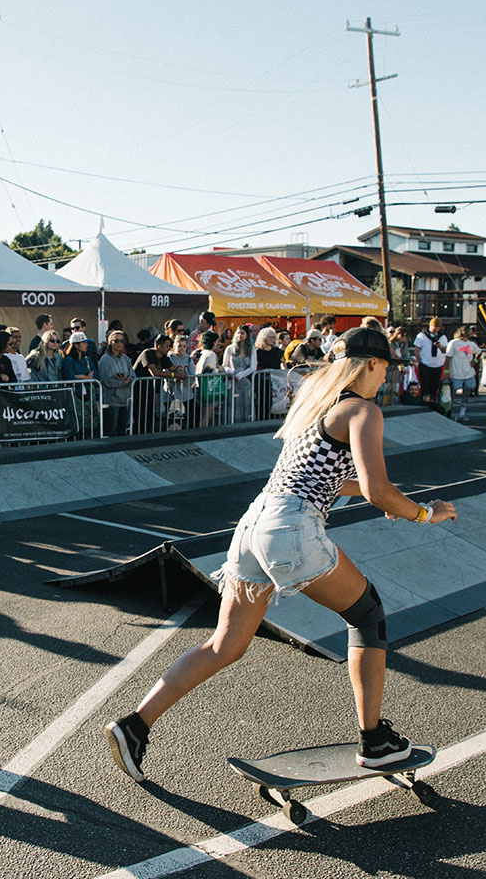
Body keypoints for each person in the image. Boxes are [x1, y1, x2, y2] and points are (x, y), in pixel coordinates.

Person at [104, 327, 456, 781]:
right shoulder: (363, 410)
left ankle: (134, 725)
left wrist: (386, 500)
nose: (387, 377)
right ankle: (375, 743)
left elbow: (337, 481)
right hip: (292, 530)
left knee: (224, 645)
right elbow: (376, 487)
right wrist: (425, 513)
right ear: (370, 364)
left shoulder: (317, 405)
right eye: (387, 367)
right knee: (367, 615)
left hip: (254, 525)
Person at [133, 333, 178, 434]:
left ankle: (148, 436)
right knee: (139, 415)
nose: (169, 349)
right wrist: (175, 375)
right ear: (159, 346)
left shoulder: (164, 357)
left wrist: (179, 372)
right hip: (137, 389)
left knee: (149, 415)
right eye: (167, 346)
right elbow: (155, 373)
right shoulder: (147, 353)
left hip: (150, 390)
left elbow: (174, 369)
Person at [61, 332, 99, 435]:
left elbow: (96, 377)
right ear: (76, 345)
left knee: (91, 422)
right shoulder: (68, 361)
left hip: (88, 395)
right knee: (78, 422)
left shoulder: (87, 360)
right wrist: (85, 377)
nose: (86, 345)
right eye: (83, 342)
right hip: (75, 396)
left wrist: (80, 376)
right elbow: (69, 377)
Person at [97, 330, 133, 436]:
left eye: (122, 341)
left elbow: (133, 375)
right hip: (111, 401)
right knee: (110, 431)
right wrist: (124, 382)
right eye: (116, 340)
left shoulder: (126, 359)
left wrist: (127, 380)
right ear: (110, 342)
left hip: (125, 400)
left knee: (122, 430)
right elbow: (107, 381)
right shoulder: (105, 359)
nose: (119, 343)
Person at [222, 325, 257, 423]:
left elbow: (252, 367)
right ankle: (231, 422)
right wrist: (231, 372)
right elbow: (224, 365)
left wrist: (241, 375)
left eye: (242, 333)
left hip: (245, 381)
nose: (240, 335)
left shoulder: (251, 349)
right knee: (232, 403)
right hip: (232, 380)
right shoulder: (229, 348)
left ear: (247, 335)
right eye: (238, 333)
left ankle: (247, 423)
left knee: (246, 403)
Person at [444, 325, 479, 422]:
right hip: (456, 373)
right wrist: (446, 372)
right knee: (453, 394)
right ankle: (449, 412)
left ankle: (462, 413)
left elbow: (478, 352)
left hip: (468, 373)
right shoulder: (453, 343)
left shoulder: (471, 344)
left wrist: (475, 361)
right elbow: (448, 358)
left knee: (466, 393)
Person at [412, 317, 448, 406]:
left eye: (437, 327)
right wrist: (419, 361)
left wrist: (439, 346)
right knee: (425, 385)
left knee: (435, 385)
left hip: (437, 364)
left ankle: (432, 402)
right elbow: (417, 349)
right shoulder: (422, 336)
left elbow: (445, 350)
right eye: (434, 327)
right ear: (430, 326)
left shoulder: (442, 337)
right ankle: (424, 402)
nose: (435, 329)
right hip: (425, 364)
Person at [254, 327, 286, 418]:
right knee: (263, 400)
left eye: (273, 337)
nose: (272, 339)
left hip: (276, 380)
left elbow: (283, 363)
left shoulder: (278, 351)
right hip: (263, 381)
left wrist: (284, 373)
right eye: (270, 337)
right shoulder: (257, 352)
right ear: (263, 338)